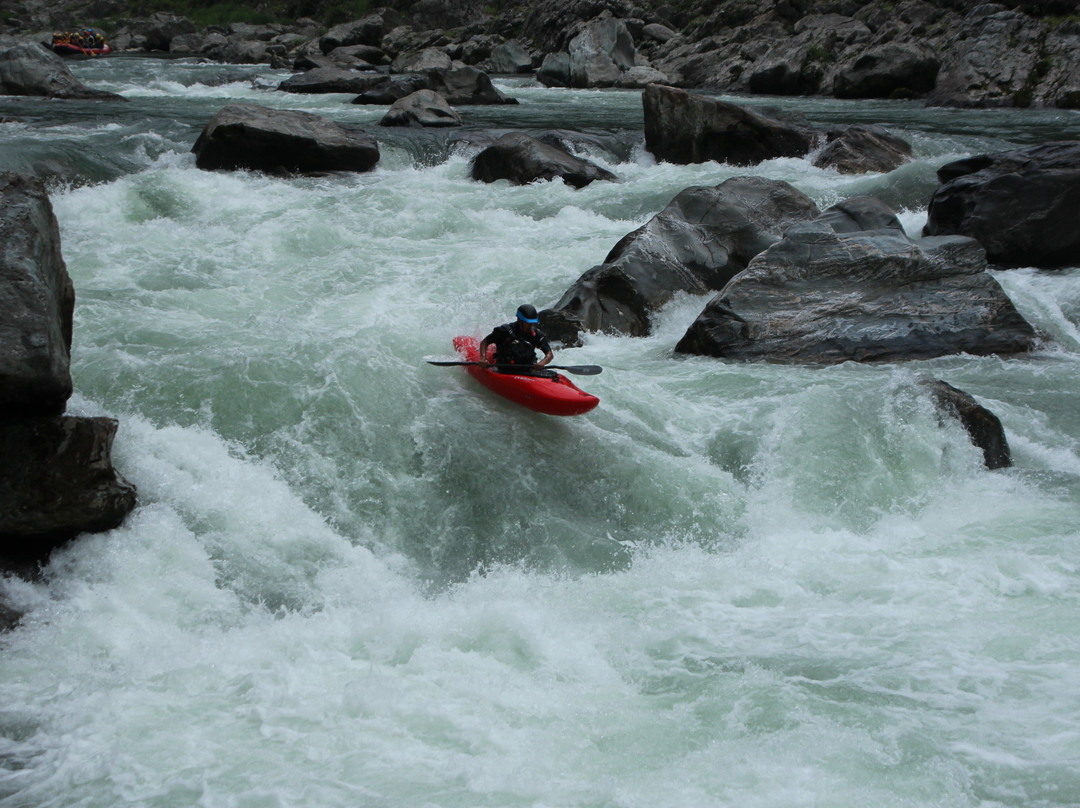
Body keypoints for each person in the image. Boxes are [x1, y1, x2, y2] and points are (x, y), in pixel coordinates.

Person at [478, 304, 554, 374]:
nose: (531, 326)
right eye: (528, 323)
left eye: (532, 323)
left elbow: (549, 354)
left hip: (526, 370)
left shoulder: (536, 335)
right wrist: (483, 358)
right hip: (503, 369)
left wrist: (542, 363)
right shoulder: (504, 331)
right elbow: (485, 342)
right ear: (519, 320)